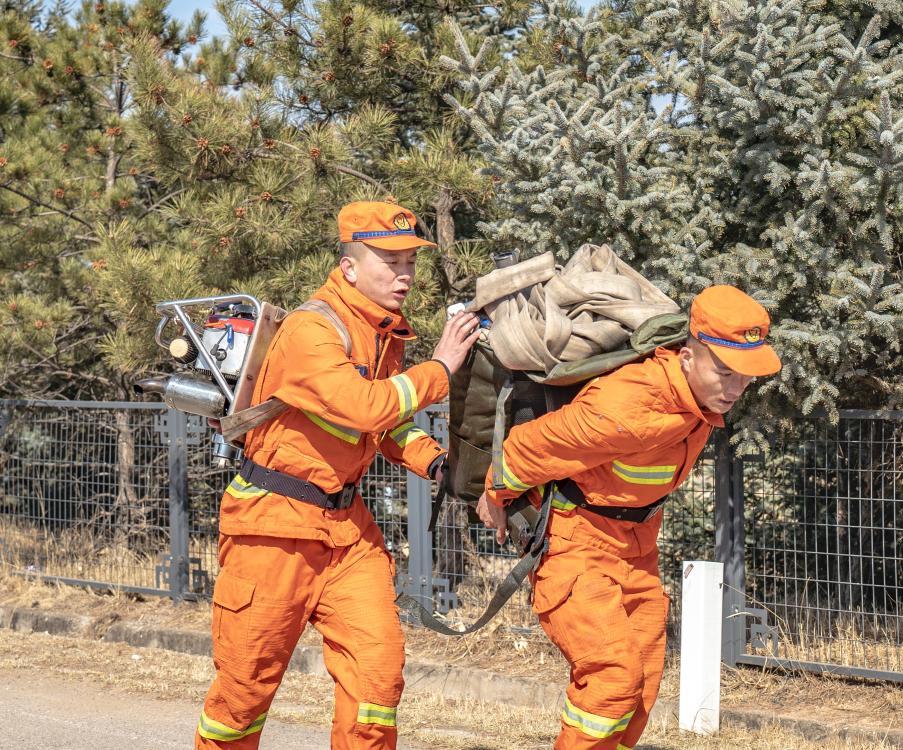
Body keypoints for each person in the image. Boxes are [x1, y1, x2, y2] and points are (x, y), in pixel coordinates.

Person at [196, 201, 480, 749]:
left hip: (347, 532)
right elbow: (364, 407)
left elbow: (387, 424)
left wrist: (437, 463)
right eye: (390, 261)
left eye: (410, 262)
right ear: (349, 267)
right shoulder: (313, 329)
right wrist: (442, 368)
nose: (404, 275)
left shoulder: (383, 333)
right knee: (242, 698)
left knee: (378, 680)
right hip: (272, 531)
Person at [476, 285, 781, 750]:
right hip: (576, 545)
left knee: (642, 683)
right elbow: (527, 448)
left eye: (746, 376)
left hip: (636, 549)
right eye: (724, 371)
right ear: (687, 357)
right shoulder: (627, 405)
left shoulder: (700, 403)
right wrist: (496, 496)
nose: (736, 387)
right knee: (613, 677)